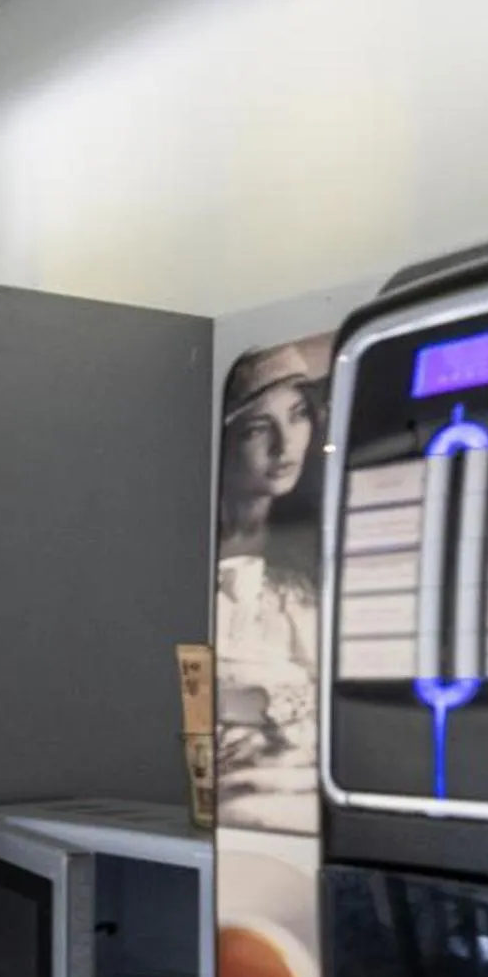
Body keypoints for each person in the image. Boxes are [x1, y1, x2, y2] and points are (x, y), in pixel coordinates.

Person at [213, 336, 330, 832]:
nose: (285, 446)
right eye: (259, 428)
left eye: (298, 415)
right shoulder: (195, 554)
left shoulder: (314, 554)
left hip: (300, 779)